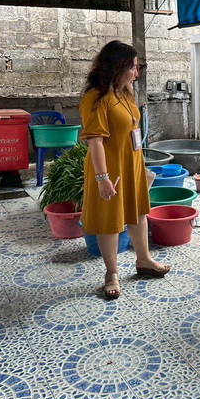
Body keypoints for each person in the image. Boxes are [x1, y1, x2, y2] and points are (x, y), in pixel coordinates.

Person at [79, 40, 170, 299]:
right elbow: (95, 141)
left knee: (138, 212)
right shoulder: (96, 98)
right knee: (110, 220)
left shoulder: (124, 93)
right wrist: (102, 178)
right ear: (117, 67)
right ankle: (112, 274)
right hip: (110, 169)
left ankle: (144, 260)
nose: (136, 73)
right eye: (132, 67)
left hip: (132, 164)